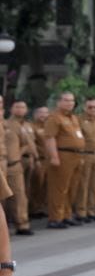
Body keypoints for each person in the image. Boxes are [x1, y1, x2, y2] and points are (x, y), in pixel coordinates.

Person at [44, 92, 85, 229]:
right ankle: (55, 218)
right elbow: (50, 138)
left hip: (76, 156)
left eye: (72, 101)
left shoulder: (74, 118)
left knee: (72, 188)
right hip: (63, 155)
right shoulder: (54, 118)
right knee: (59, 188)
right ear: (59, 102)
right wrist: (54, 157)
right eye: (66, 100)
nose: (70, 103)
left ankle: (67, 215)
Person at [74, 97, 95, 222]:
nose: (93, 109)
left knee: (94, 185)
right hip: (85, 155)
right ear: (84, 107)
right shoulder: (79, 120)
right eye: (90, 107)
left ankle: (91, 210)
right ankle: (81, 211)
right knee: (83, 184)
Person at [4, 100, 33, 235]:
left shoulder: (22, 126)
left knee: (19, 194)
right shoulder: (7, 124)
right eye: (17, 107)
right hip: (2, 165)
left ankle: (22, 224)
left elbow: (27, 143)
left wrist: (18, 155)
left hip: (14, 164)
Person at [29, 105, 49, 218]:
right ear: (35, 114)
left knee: (46, 186)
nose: (43, 115)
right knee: (37, 185)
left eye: (46, 113)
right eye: (41, 113)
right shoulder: (32, 126)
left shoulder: (49, 126)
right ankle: (34, 209)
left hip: (49, 160)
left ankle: (42, 207)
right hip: (39, 160)